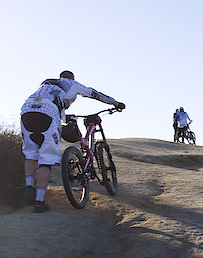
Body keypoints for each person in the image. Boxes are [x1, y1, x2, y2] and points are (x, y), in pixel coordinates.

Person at [20, 70, 125, 213]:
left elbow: (53, 98)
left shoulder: (47, 83)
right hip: (48, 111)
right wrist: (115, 103)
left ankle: (29, 187)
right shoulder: (73, 84)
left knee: (31, 153)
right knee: (47, 158)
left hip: (27, 108)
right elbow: (93, 93)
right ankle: (39, 201)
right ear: (72, 78)